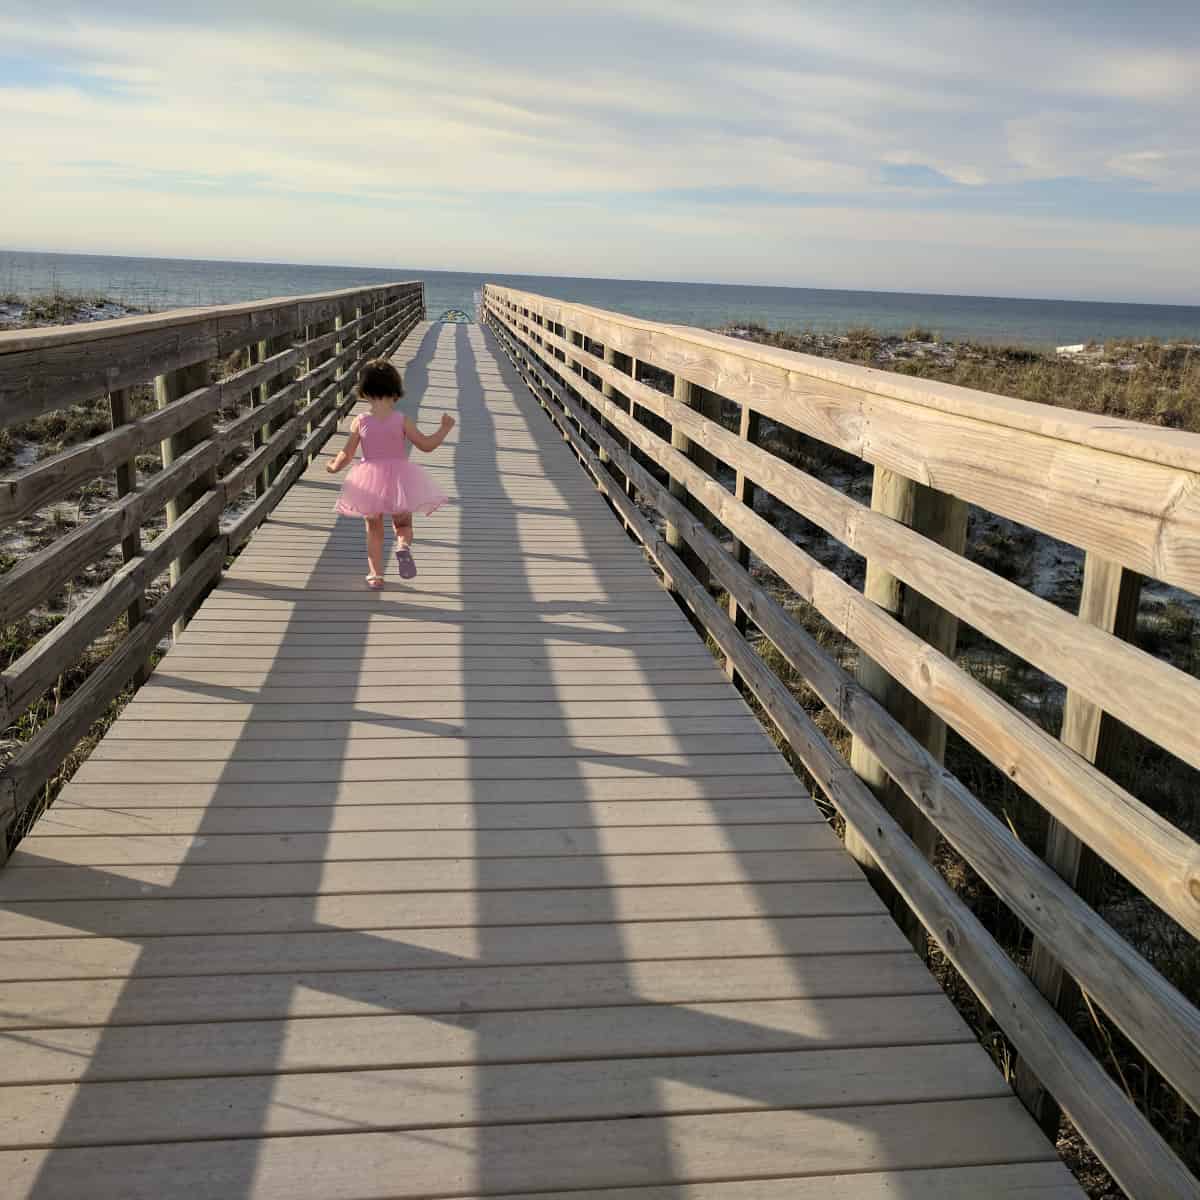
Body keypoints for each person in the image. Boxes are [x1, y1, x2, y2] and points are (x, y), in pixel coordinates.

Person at [326, 358, 454, 588]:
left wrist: (333, 466)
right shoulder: (401, 420)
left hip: (369, 481)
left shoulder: (360, 421)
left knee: (374, 529)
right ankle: (403, 546)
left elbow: (347, 454)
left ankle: (375, 575)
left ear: (364, 391)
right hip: (399, 480)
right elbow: (426, 445)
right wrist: (444, 429)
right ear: (395, 390)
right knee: (403, 525)